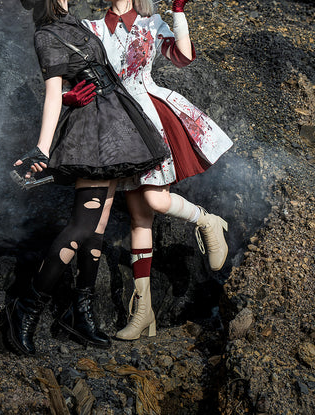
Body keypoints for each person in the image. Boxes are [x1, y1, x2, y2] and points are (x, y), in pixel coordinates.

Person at [0, 0, 170, 355]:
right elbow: (52, 94)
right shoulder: (47, 34)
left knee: (97, 226)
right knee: (81, 227)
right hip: (93, 134)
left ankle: (80, 312)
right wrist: (42, 148)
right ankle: (26, 307)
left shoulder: (75, 24)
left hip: (114, 124)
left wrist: (70, 94)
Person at [64, 0, 233, 340]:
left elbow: (183, 58)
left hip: (149, 120)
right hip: (114, 126)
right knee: (140, 218)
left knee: (156, 200)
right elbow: (74, 76)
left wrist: (178, 12)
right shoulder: (91, 28)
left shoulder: (152, 23)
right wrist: (71, 96)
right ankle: (144, 312)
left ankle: (207, 220)